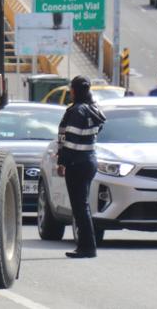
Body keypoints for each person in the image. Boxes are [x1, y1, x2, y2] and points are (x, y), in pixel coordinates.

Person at [54, 76, 105, 258]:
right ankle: (87, 246)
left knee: (79, 207)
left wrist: (62, 163)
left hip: (77, 163)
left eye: (71, 89)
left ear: (74, 90)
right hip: (89, 160)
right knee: (83, 205)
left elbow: (71, 142)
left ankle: (87, 247)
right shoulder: (93, 109)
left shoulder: (77, 111)